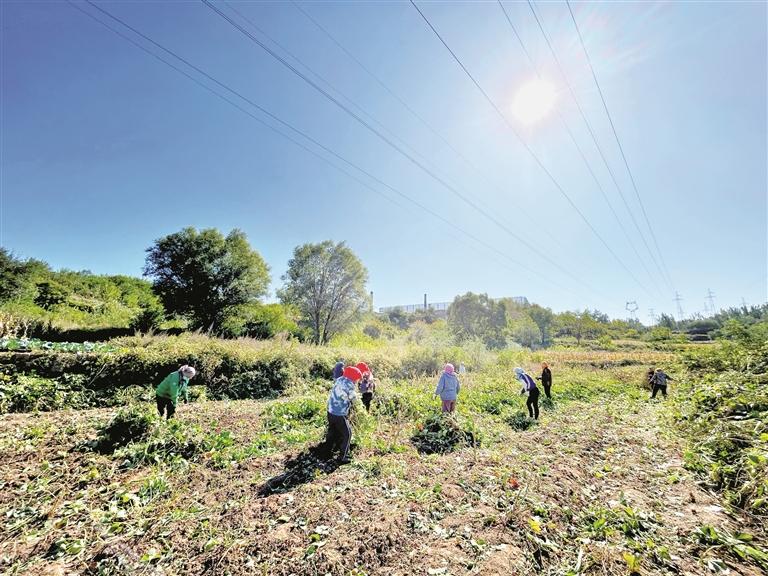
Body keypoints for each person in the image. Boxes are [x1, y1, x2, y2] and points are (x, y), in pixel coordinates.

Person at [321, 365, 362, 464]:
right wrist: (358, 402)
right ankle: (342, 457)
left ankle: (326, 452)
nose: (356, 382)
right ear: (353, 378)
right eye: (356, 380)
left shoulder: (339, 380)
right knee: (347, 434)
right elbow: (353, 398)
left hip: (330, 411)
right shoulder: (349, 385)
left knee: (332, 431)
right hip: (339, 414)